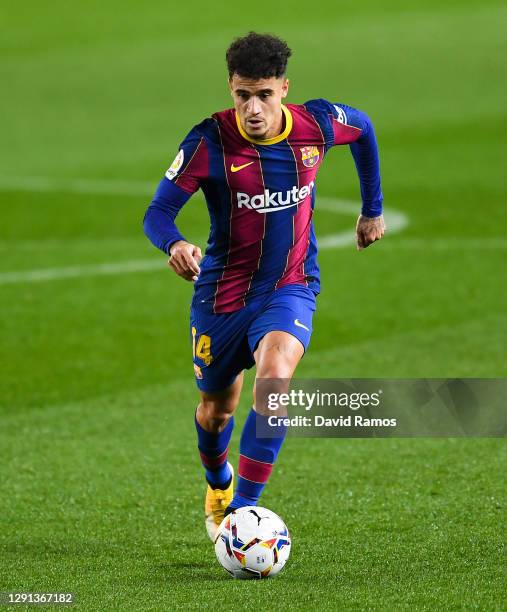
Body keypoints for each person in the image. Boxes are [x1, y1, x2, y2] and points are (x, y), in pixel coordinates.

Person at [143, 31, 384, 540]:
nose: (253, 108)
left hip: (289, 285)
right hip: (222, 297)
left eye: (265, 94)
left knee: (274, 381)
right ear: (231, 88)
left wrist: (372, 209)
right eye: (242, 95)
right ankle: (219, 483)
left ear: (283, 88)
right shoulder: (208, 141)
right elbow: (159, 212)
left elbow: (363, 130)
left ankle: (243, 515)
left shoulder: (316, 124)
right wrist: (174, 245)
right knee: (216, 412)